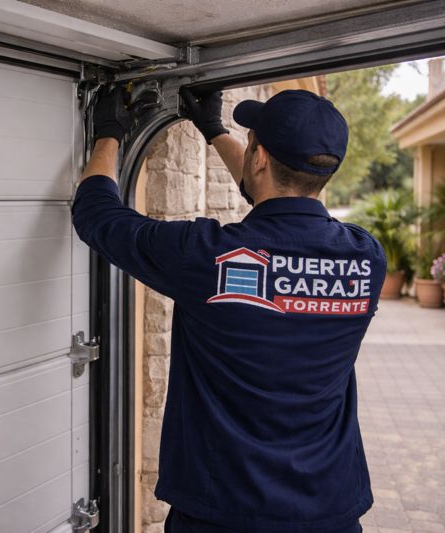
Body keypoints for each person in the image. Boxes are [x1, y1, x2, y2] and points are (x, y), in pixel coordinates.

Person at [71, 85, 385, 533]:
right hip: (327, 510)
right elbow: (285, 206)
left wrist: (109, 133)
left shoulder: (207, 257)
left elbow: (97, 215)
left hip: (221, 512)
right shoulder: (366, 259)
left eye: (251, 143)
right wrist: (214, 130)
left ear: (259, 158)